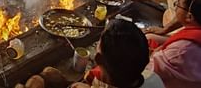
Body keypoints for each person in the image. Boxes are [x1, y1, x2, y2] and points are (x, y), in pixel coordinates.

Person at [15, 19, 164, 88]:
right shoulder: (152, 77)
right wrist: (67, 82)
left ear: (98, 58)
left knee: (35, 81)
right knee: (49, 73)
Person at [146, 0, 201, 88]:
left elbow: (149, 70)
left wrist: (154, 52)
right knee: (149, 37)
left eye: (178, 5)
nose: (175, 8)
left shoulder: (182, 50)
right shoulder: (195, 30)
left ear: (189, 16)